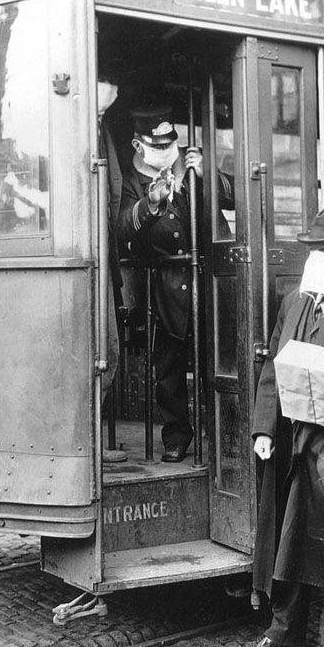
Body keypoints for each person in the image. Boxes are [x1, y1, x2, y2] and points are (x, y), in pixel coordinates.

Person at [236, 206, 324, 647]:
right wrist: (262, 427)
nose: (314, 256)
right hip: (294, 440)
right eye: (312, 248)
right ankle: (284, 627)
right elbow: (274, 366)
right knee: (290, 535)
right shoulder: (297, 300)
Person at [117, 104, 232, 462]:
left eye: (171, 146)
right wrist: (151, 204)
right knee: (169, 367)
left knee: (219, 359)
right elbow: (123, 229)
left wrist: (208, 176)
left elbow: (235, 197)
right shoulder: (133, 181)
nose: (168, 153)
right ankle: (177, 436)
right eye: (158, 147)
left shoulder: (191, 165)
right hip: (167, 284)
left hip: (210, 281)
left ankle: (225, 433)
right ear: (139, 147)